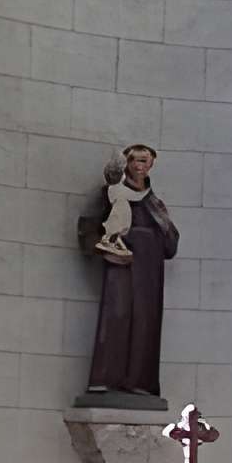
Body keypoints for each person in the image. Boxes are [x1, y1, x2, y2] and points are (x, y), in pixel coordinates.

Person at [78, 144, 179, 398]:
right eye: (134, 160)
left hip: (148, 273)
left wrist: (158, 232)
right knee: (116, 318)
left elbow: (171, 244)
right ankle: (106, 380)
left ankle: (140, 383)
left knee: (145, 324)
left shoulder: (155, 203)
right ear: (127, 164)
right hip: (121, 268)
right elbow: (89, 228)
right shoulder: (112, 194)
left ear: (151, 165)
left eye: (144, 161)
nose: (139, 166)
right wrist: (100, 247)